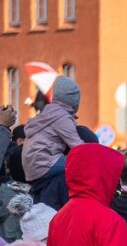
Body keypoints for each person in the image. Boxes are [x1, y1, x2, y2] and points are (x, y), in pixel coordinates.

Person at [22, 77, 83, 209]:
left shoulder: (49, 113)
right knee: (80, 166)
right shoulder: (62, 117)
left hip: (31, 164)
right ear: (74, 101)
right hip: (44, 162)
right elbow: (79, 147)